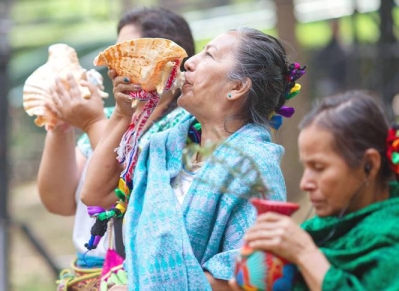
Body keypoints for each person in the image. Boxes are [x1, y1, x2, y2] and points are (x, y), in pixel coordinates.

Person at [81, 27, 305, 289]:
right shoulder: (166, 148)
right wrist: (122, 113)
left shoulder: (253, 166)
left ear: (237, 87)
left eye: (209, 55)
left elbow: (250, 278)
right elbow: (95, 194)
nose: (189, 62)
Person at [37, 6, 196, 290]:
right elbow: (58, 202)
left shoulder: (187, 123)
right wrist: (61, 125)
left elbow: (135, 184)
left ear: (163, 59)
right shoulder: (112, 116)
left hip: (137, 278)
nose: (116, 64)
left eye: (128, 53)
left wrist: (92, 121)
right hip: (88, 275)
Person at [230, 91, 399, 290]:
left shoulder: (391, 238)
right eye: (306, 168)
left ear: (369, 165)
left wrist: (305, 254)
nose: (305, 184)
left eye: (319, 168)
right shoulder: (318, 230)